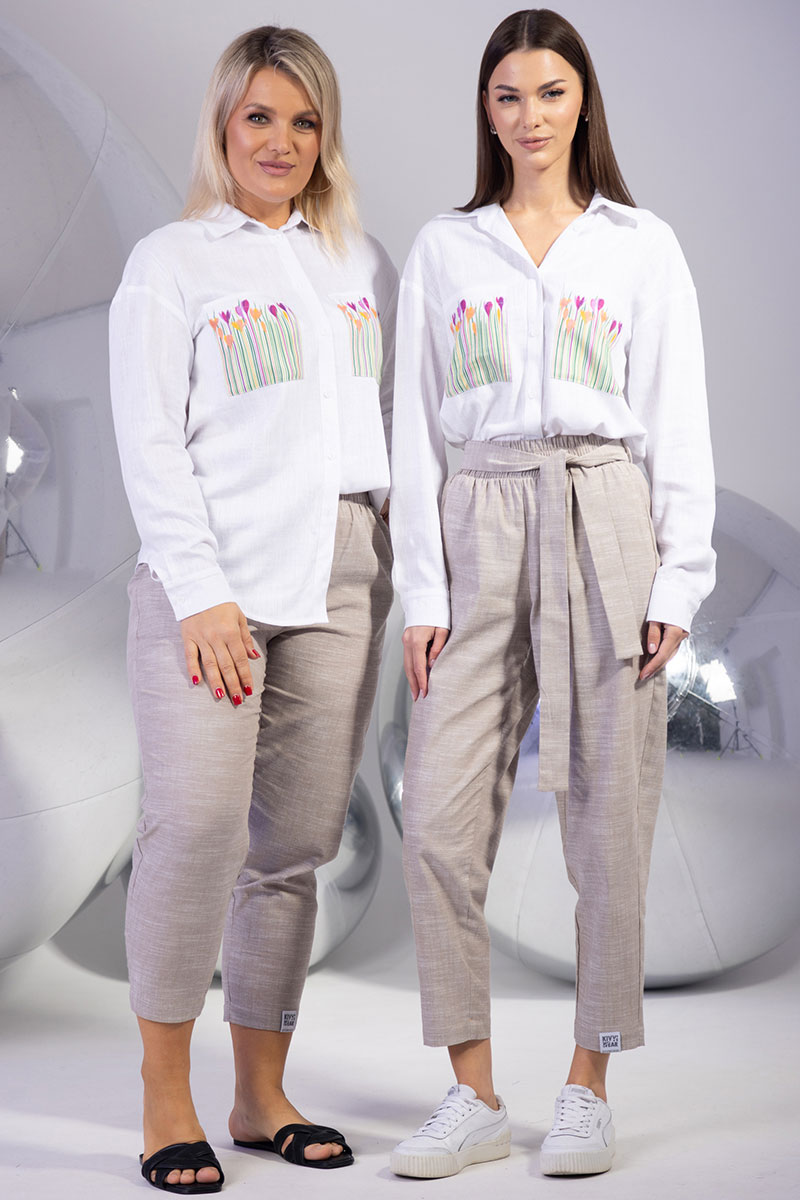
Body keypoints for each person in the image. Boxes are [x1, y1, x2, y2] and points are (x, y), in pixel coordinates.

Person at [388, 7, 715, 1180]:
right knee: (435, 820)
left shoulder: (638, 245)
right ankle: (471, 1093)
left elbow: (675, 411)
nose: (529, 117)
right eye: (507, 96)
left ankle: (588, 1084)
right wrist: (420, 593)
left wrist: (678, 574)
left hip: (602, 509)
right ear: (485, 113)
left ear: (582, 105)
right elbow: (412, 429)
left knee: (606, 822)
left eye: (549, 93)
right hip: (476, 511)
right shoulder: (445, 248)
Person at [109, 25, 396, 1194]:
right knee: (193, 834)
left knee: (293, 847)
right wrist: (200, 592)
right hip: (212, 578)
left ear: (326, 135)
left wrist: (392, 567)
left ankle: (259, 1095)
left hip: (339, 570)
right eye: (259, 117)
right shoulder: (171, 263)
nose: (281, 142)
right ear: (223, 125)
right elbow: (149, 443)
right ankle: (164, 1103)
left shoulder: (354, 260)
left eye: (303, 120)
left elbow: (379, 427)